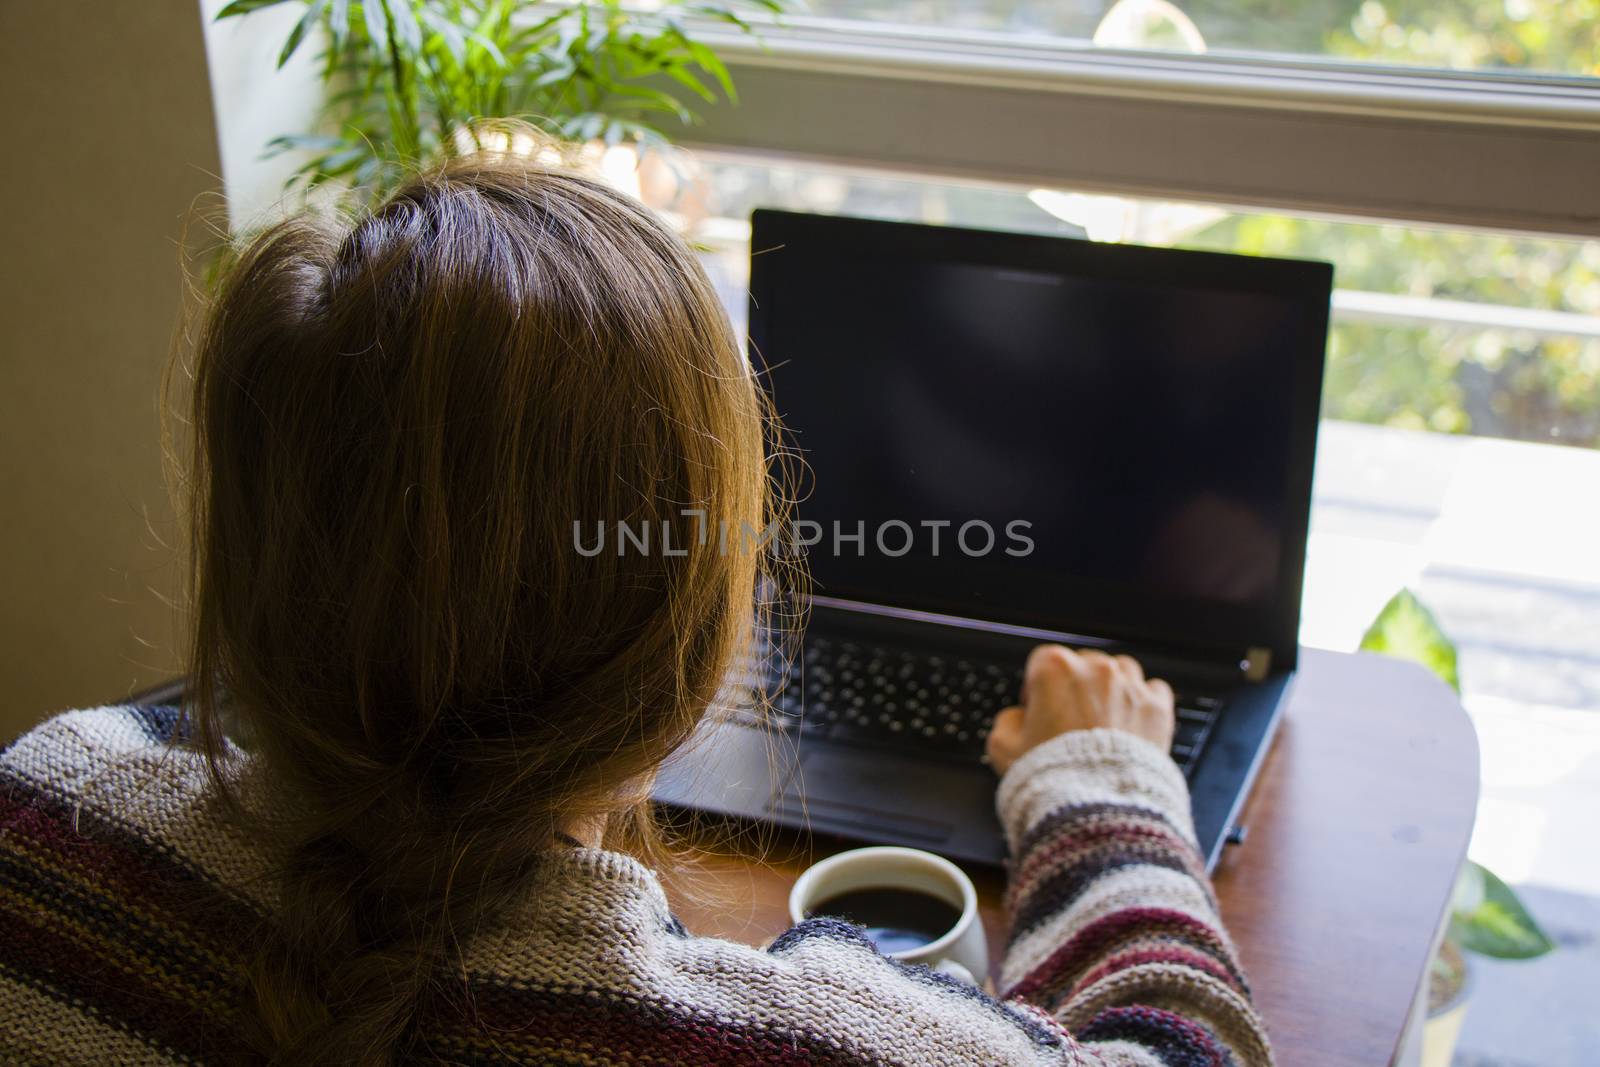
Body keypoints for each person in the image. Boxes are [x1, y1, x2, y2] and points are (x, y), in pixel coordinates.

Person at [0, 153, 1271, 1066]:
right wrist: (1098, 782)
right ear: (681, 631)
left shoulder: (40, 809)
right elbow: (1181, 1045)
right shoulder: (806, 1042)